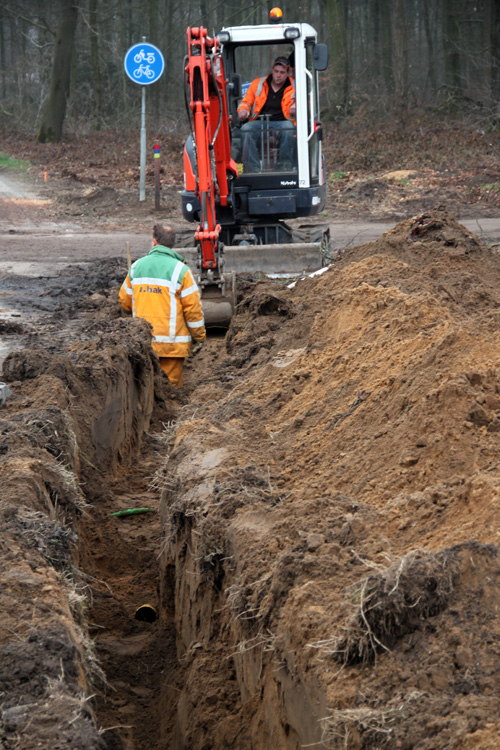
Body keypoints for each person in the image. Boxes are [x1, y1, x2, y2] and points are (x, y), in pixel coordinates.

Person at [118, 224, 206, 388]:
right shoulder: (182, 271)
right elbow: (193, 310)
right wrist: (200, 336)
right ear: (172, 244)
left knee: (144, 387)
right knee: (170, 391)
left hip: (142, 343)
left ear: (154, 241)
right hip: (171, 346)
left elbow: (124, 300)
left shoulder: (137, 267)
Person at [237, 56, 296, 172]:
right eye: (276, 71)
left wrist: (297, 108)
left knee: (289, 129)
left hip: (283, 123)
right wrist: (244, 110)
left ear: (288, 73)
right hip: (259, 122)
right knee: (246, 129)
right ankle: (252, 168)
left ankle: (284, 165)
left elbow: (306, 105)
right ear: (272, 70)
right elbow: (246, 102)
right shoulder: (258, 83)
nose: (278, 75)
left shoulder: (295, 86)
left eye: (282, 72)